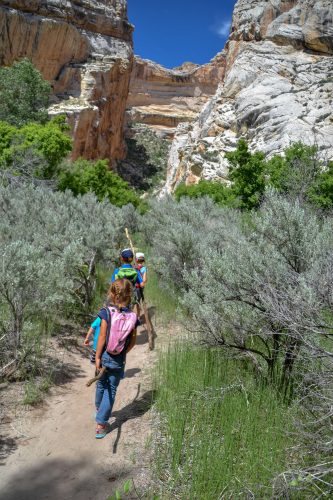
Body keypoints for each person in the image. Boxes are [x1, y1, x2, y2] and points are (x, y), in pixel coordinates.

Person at [94, 279, 138, 439]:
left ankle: (99, 410)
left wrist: (98, 356)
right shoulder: (133, 317)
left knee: (100, 383)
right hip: (119, 359)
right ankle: (101, 424)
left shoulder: (106, 312)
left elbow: (102, 337)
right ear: (129, 296)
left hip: (105, 355)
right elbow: (133, 341)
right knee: (111, 389)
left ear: (112, 294)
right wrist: (123, 352)